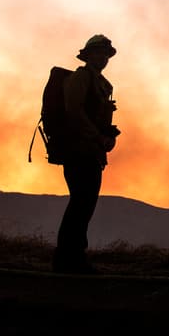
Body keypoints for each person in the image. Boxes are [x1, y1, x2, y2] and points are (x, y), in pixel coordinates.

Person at [53, 34, 121, 274]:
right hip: (79, 151)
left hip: (91, 152)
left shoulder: (102, 84)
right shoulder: (81, 77)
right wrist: (97, 136)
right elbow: (74, 111)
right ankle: (68, 259)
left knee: (84, 204)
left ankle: (72, 258)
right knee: (81, 203)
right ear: (88, 55)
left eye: (106, 54)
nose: (103, 57)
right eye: (99, 52)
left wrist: (108, 136)